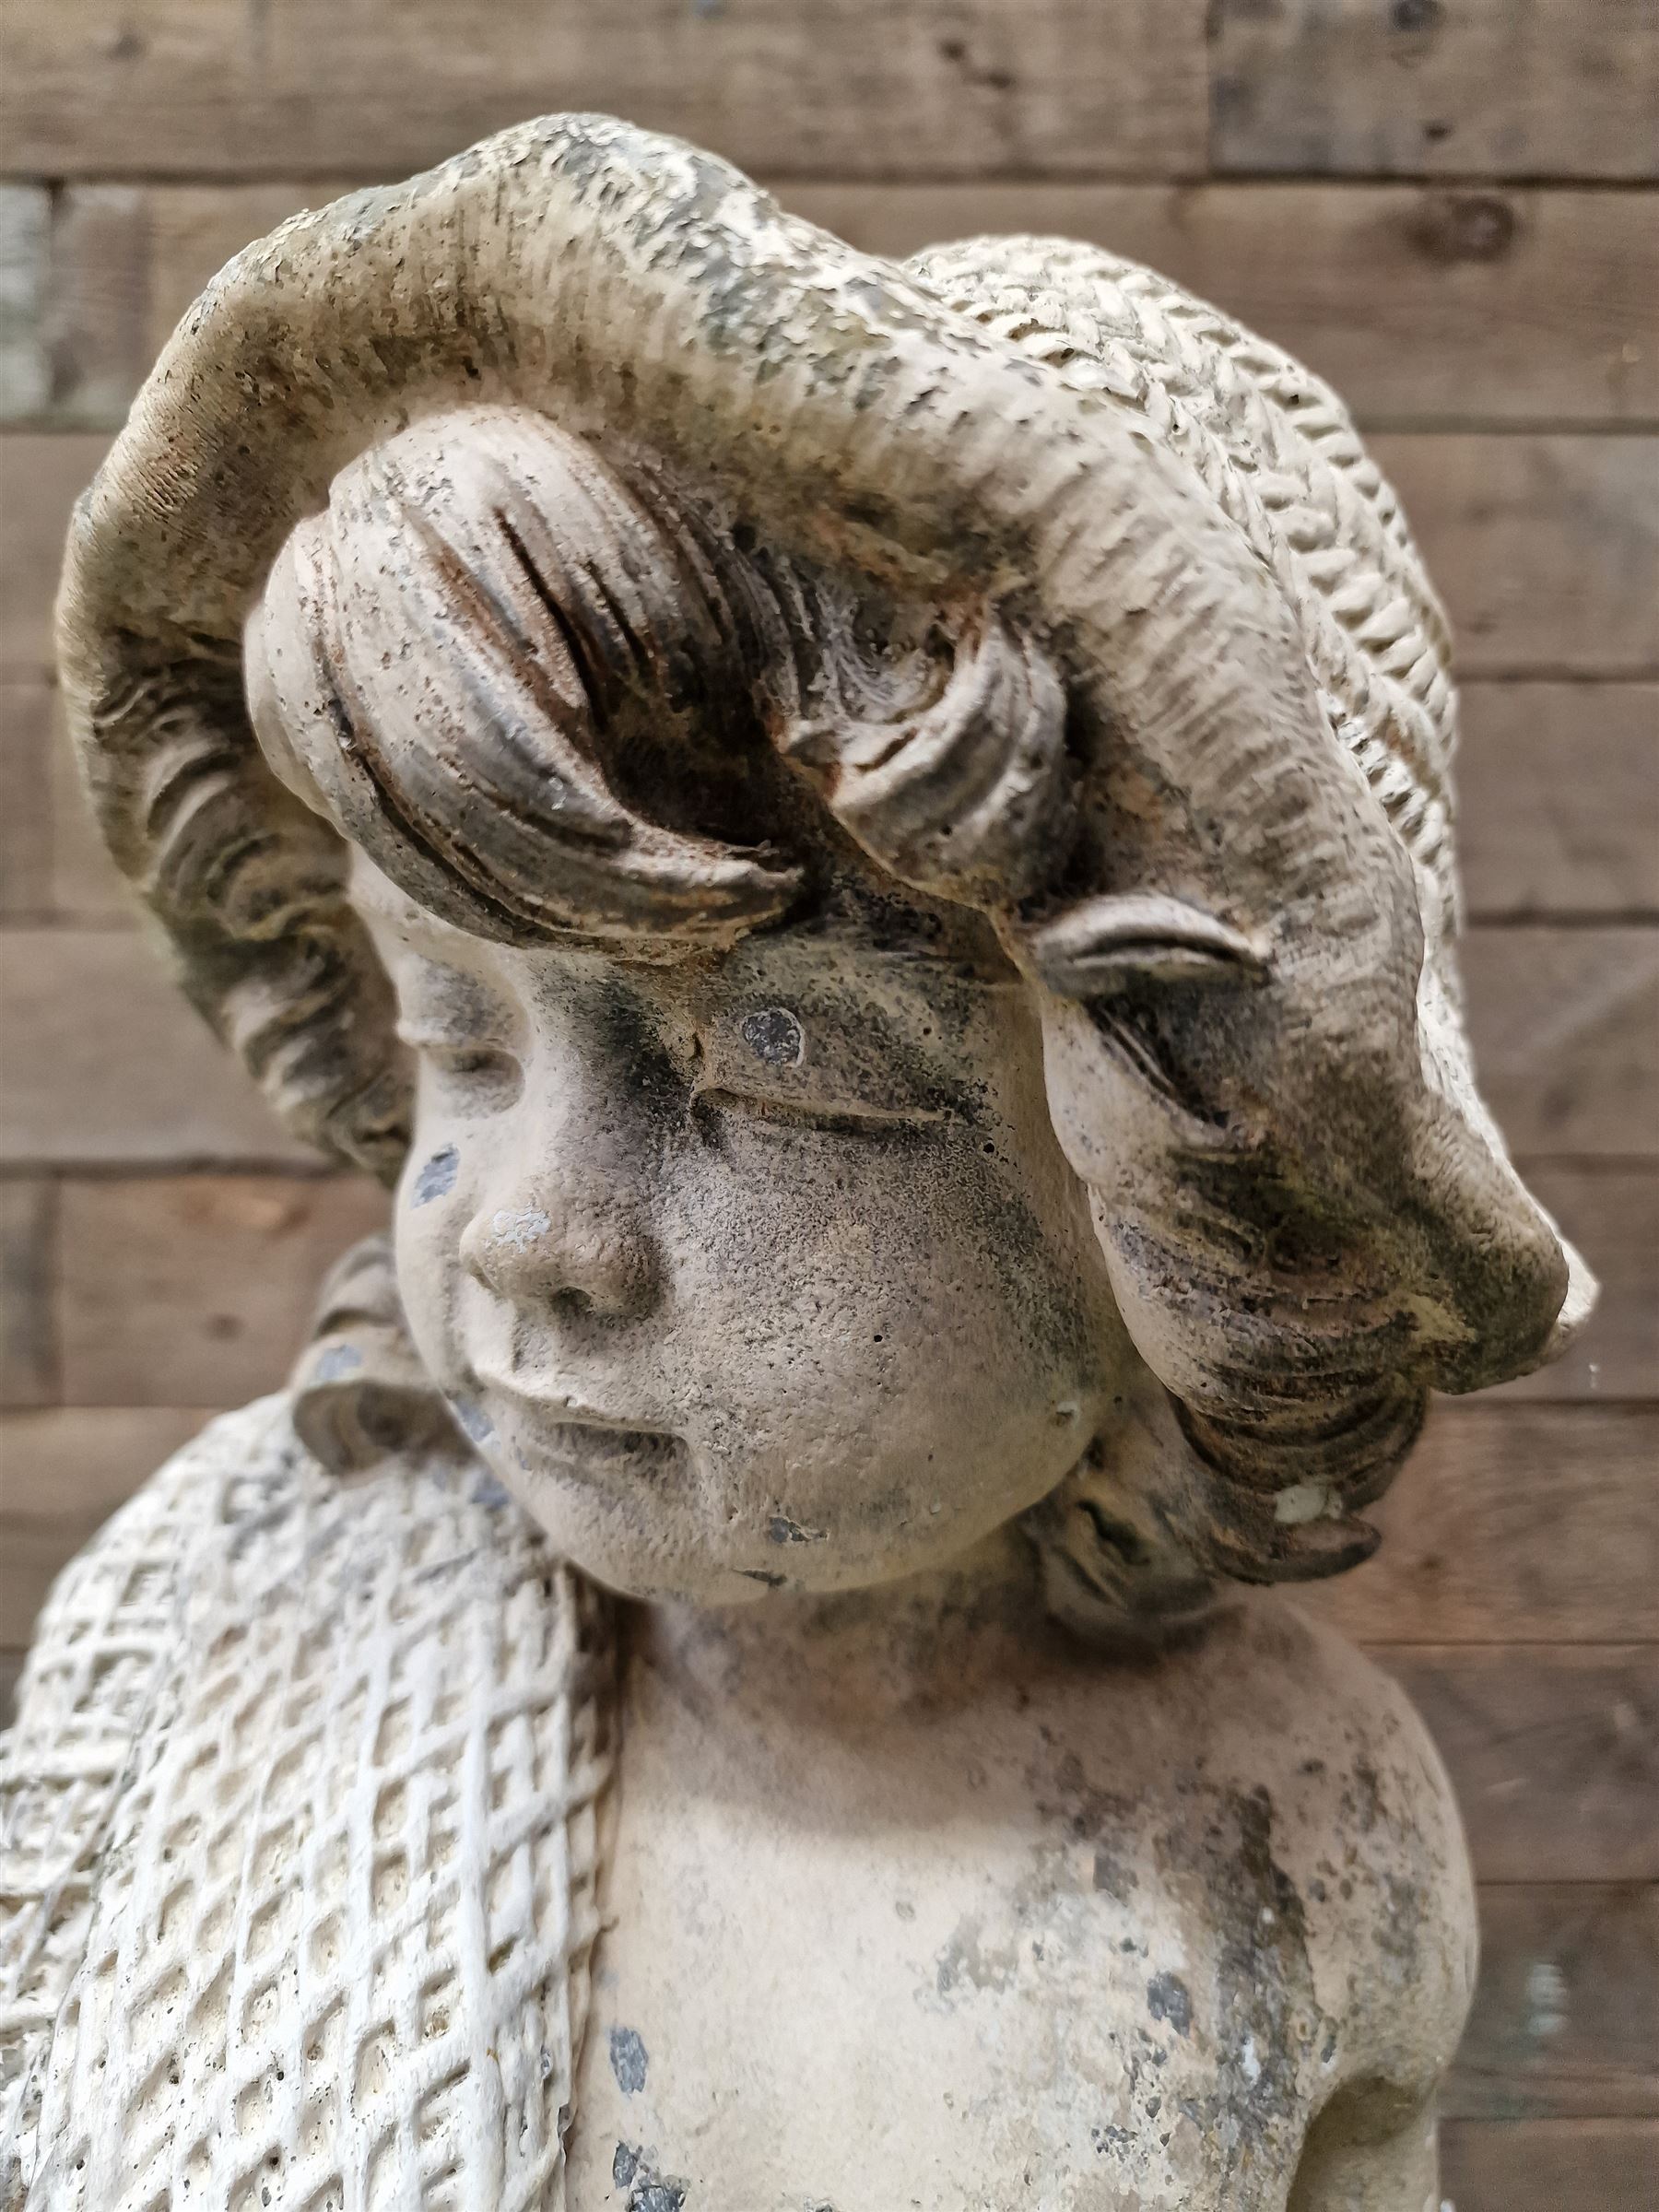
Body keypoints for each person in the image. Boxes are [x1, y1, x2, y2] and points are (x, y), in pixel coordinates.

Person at [3, 115, 1588, 2209]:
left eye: (783, 1062)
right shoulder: (205, 1674)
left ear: (1198, 1212)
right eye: (457, 1038)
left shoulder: (1287, 1828)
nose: (535, 1233)